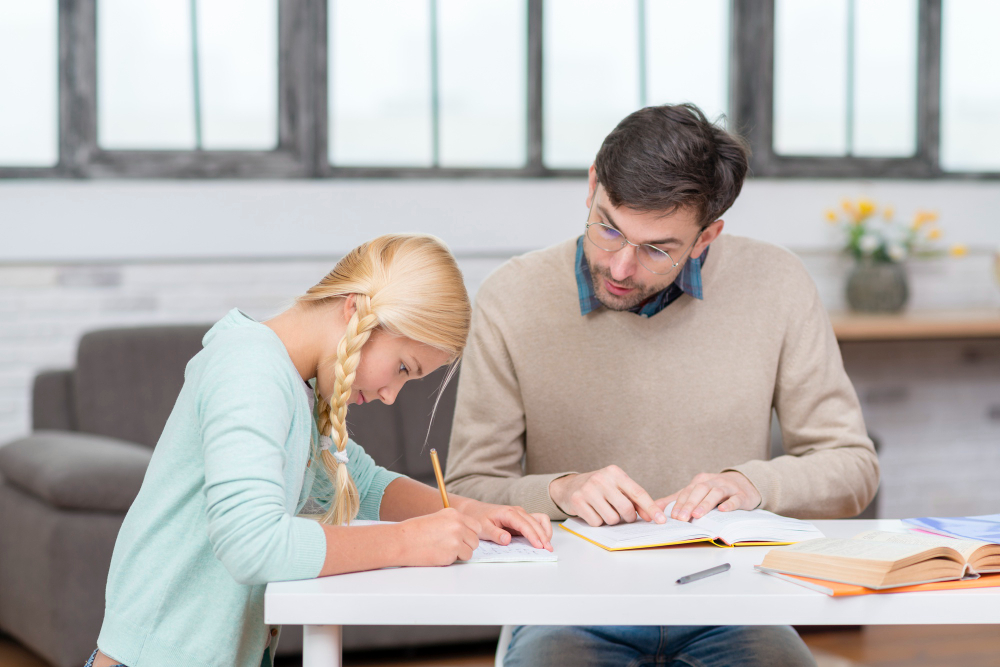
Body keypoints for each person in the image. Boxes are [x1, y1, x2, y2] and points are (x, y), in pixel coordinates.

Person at [444, 104, 879, 667]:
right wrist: (561, 492)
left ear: (706, 237)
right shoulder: (511, 296)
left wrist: (751, 484)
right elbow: (469, 485)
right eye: (608, 229)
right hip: (569, 606)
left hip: (732, 603)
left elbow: (852, 467)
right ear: (593, 185)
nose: (621, 267)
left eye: (657, 248)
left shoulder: (777, 284)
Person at [88, 234, 553, 667]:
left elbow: (363, 483)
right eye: (402, 368)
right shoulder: (250, 370)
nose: (392, 395)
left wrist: (471, 511)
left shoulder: (295, 383)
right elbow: (251, 543)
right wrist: (408, 542)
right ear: (354, 311)